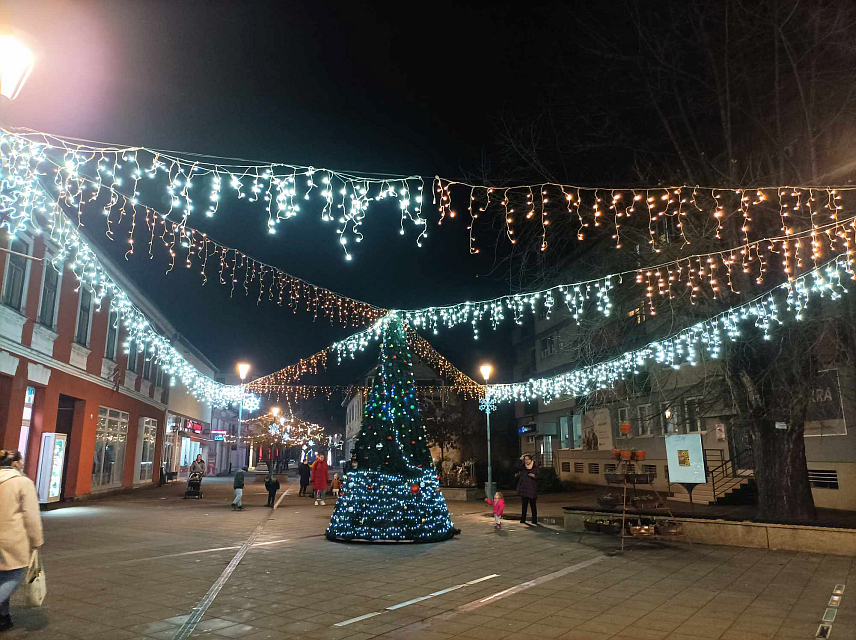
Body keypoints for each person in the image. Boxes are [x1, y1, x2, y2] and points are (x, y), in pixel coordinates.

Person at [0, 450, 44, 632]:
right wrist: (37, 540)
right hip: (11, 538)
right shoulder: (22, 482)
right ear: (15, 463)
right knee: (14, 575)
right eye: (21, 460)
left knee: (2, 577)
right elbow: (31, 515)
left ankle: (3, 617)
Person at [517, 454, 539, 525]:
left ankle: (534, 519)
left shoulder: (535, 467)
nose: (526, 461)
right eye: (525, 459)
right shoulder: (523, 466)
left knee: (533, 505)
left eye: (527, 459)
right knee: (524, 505)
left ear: (531, 460)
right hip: (524, 488)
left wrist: (534, 476)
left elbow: (539, 476)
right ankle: (523, 519)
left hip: (532, 488)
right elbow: (516, 467)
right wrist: (520, 459)